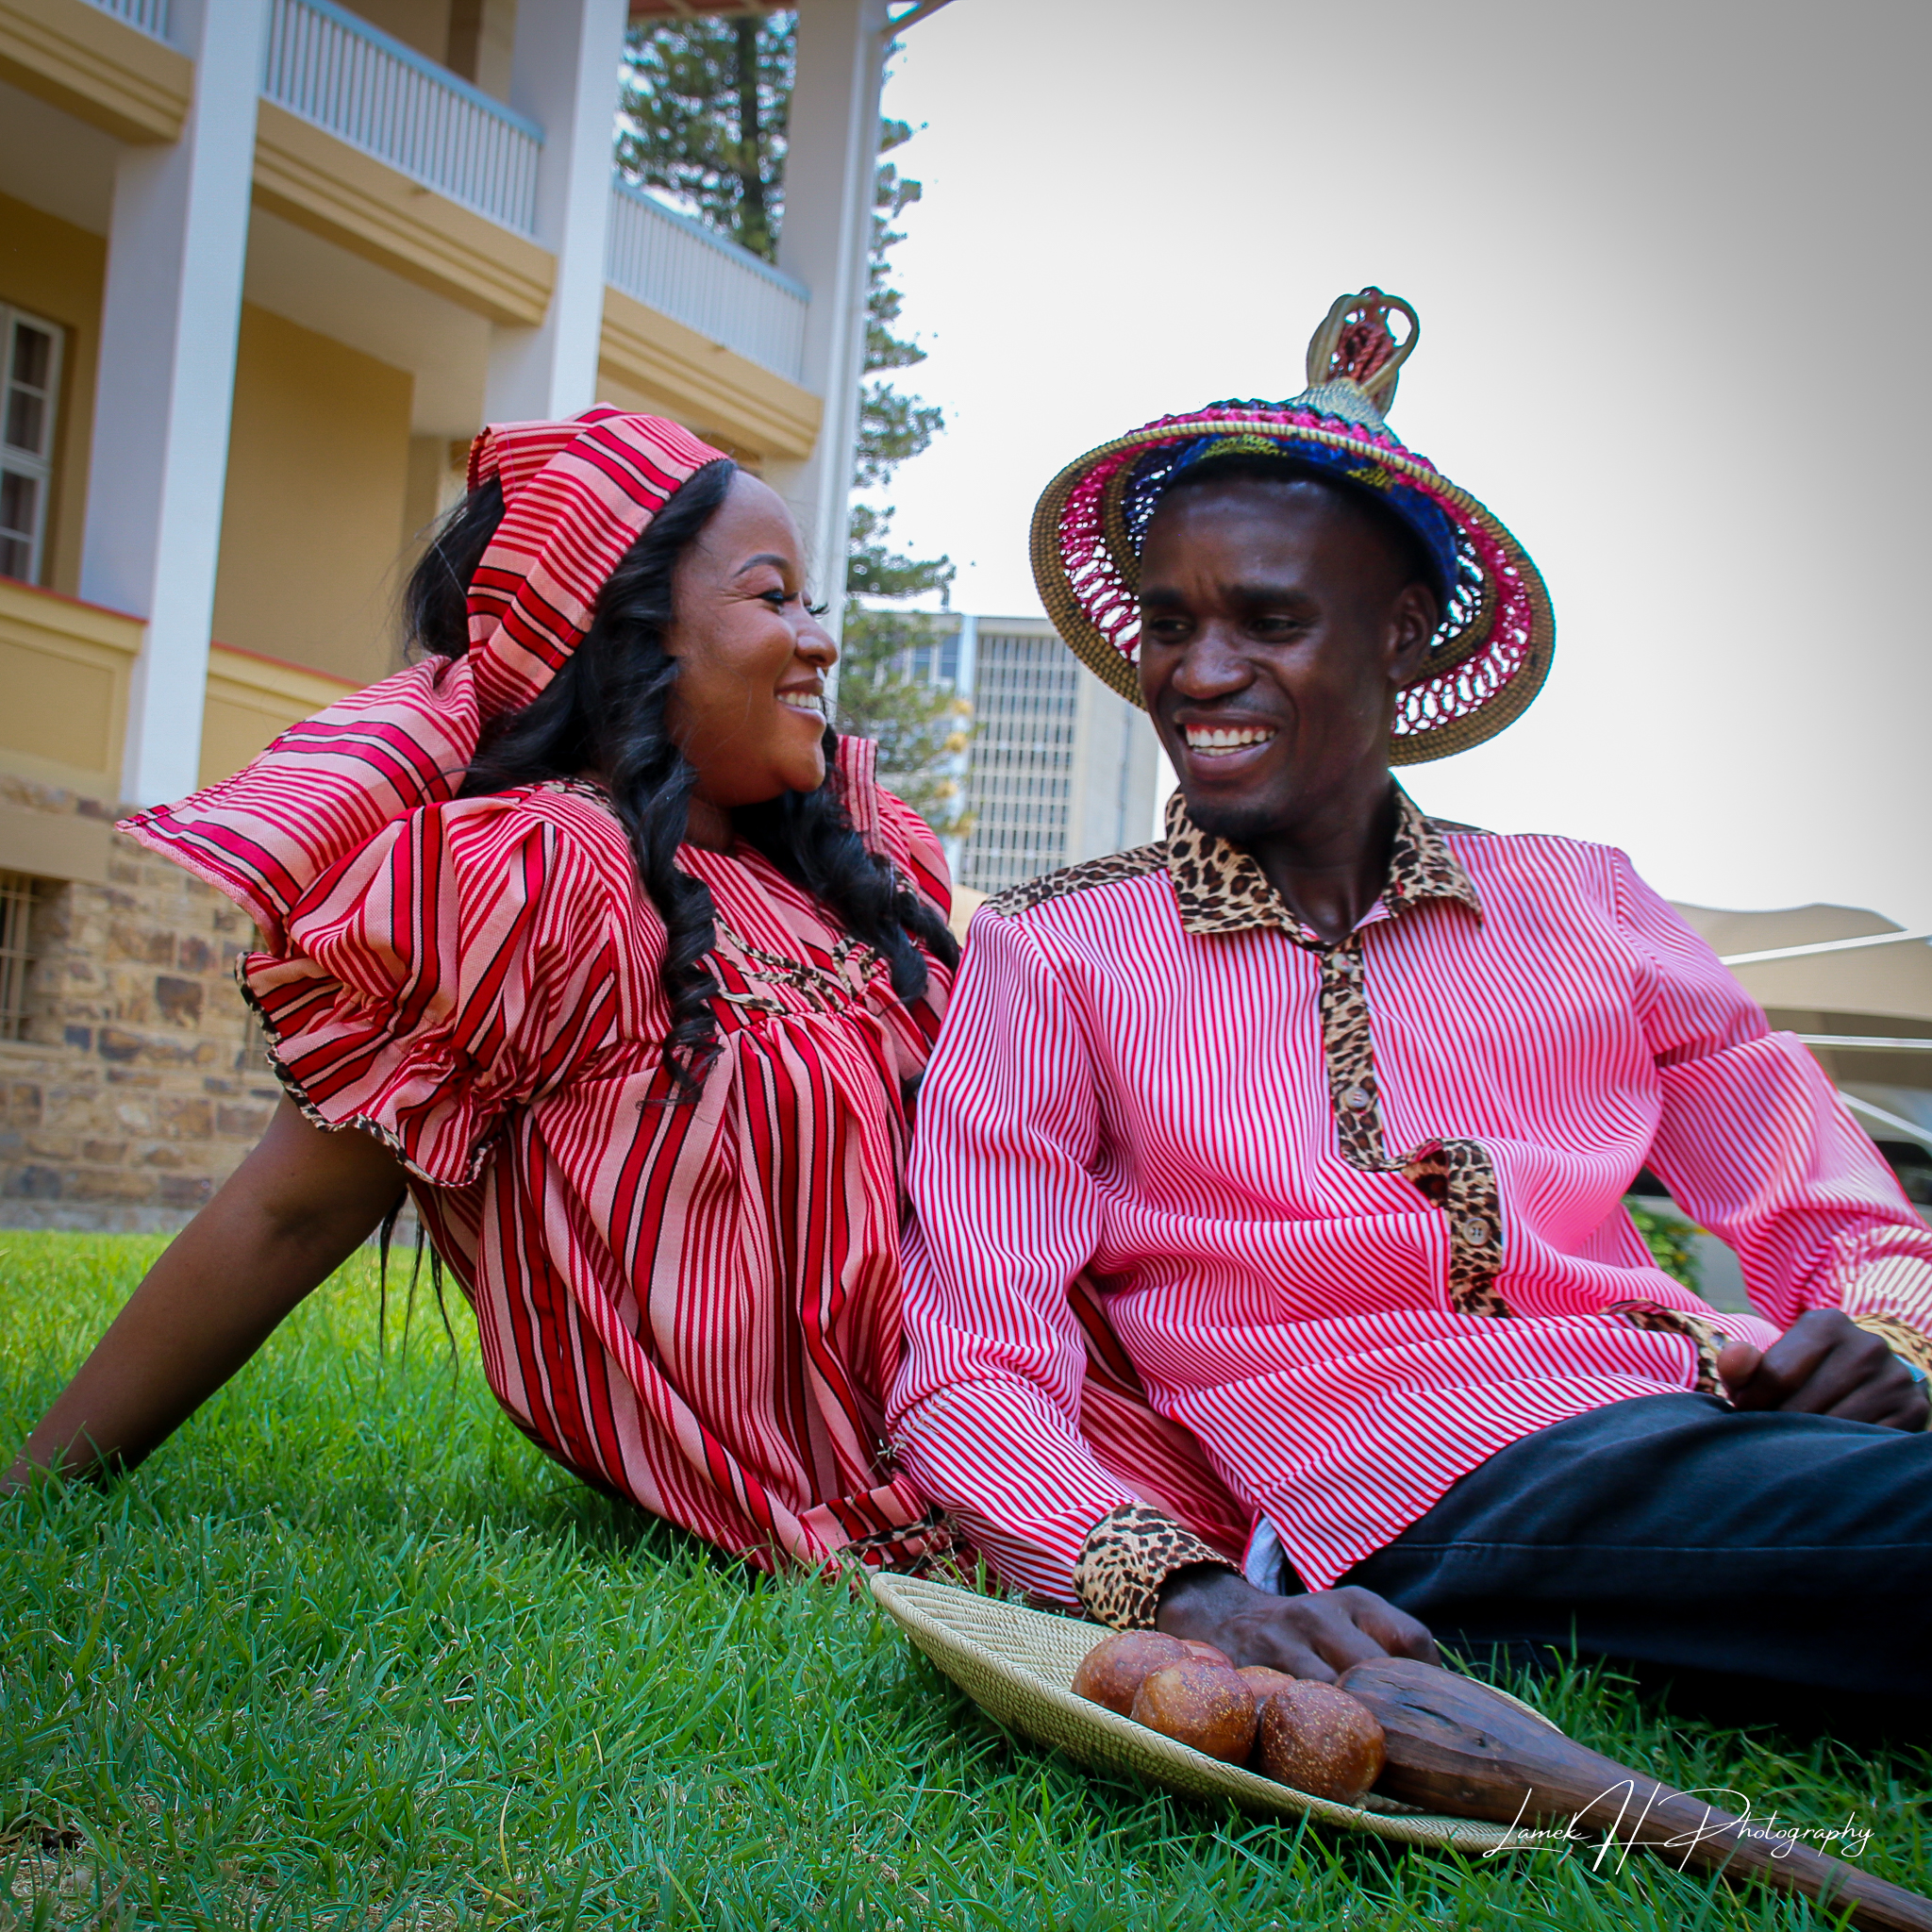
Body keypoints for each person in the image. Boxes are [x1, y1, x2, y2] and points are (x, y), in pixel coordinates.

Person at [888, 291, 1932, 1698]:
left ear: (1405, 637)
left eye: (1268, 619)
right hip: (1422, 1484)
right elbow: (970, 1368)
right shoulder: (1058, 953)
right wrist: (1188, 1593)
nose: (1199, 674)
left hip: (1718, 1423)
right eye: (1168, 622)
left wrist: (1866, 1343)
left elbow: (1839, 1217)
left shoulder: (1589, 904)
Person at [6, 407, 964, 1574]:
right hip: (892, 1498)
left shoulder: (854, 873)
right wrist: (33, 1489)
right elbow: (293, 1208)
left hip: (1044, 1420)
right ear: (626, 632)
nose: (816, 639)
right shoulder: (540, 878)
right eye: (773, 598)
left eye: (810, 600)